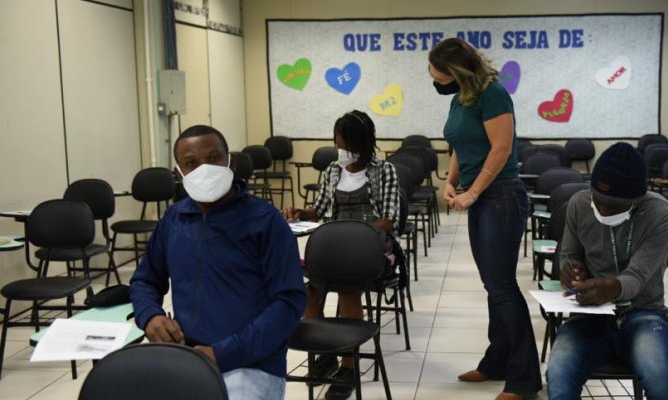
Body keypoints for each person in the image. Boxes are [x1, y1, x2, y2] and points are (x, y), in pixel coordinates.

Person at [130, 125, 306, 400]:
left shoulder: (264, 220)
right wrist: (150, 315)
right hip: (189, 357)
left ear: (230, 162)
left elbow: (289, 301)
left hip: (251, 363)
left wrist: (224, 353)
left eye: (213, 159)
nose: (204, 169)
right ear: (179, 173)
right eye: (191, 163)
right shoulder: (174, 220)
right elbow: (145, 279)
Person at [428, 38, 541, 400]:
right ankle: (497, 362)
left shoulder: (493, 94)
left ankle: (524, 380)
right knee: (494, 285)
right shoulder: (461, 97)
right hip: (481, 195)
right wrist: (451, 180)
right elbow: (461, 144)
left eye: (434, 69)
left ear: (453, 70)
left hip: (501, 195)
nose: (430, 75)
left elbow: (502, 147)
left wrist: (474, 191)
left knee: (503, 287)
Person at [546, 142, 668, 400]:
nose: (605, 209)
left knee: (659, 376)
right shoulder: (579, 203)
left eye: (616, 204)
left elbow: (639, 276)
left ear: (636, 199)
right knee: (559, 371)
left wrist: (611, 288)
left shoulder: (663, 215)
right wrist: (570, 269)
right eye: (599, 200)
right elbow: (569, 253)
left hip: (643, 312)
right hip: (591, 313)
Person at [282, 110, 401, 400]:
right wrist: (301, 212)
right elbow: (320, 209)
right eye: (338, 143)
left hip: (370, 247)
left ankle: (348, 365)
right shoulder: (334, 169)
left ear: (362, 143)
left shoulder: (384, 170)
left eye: (345, 143)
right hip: (333, 246)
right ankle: (324, 355)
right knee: (310, 292)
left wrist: (356, 235)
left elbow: (389, 220)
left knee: (348, 293)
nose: (341, 150)